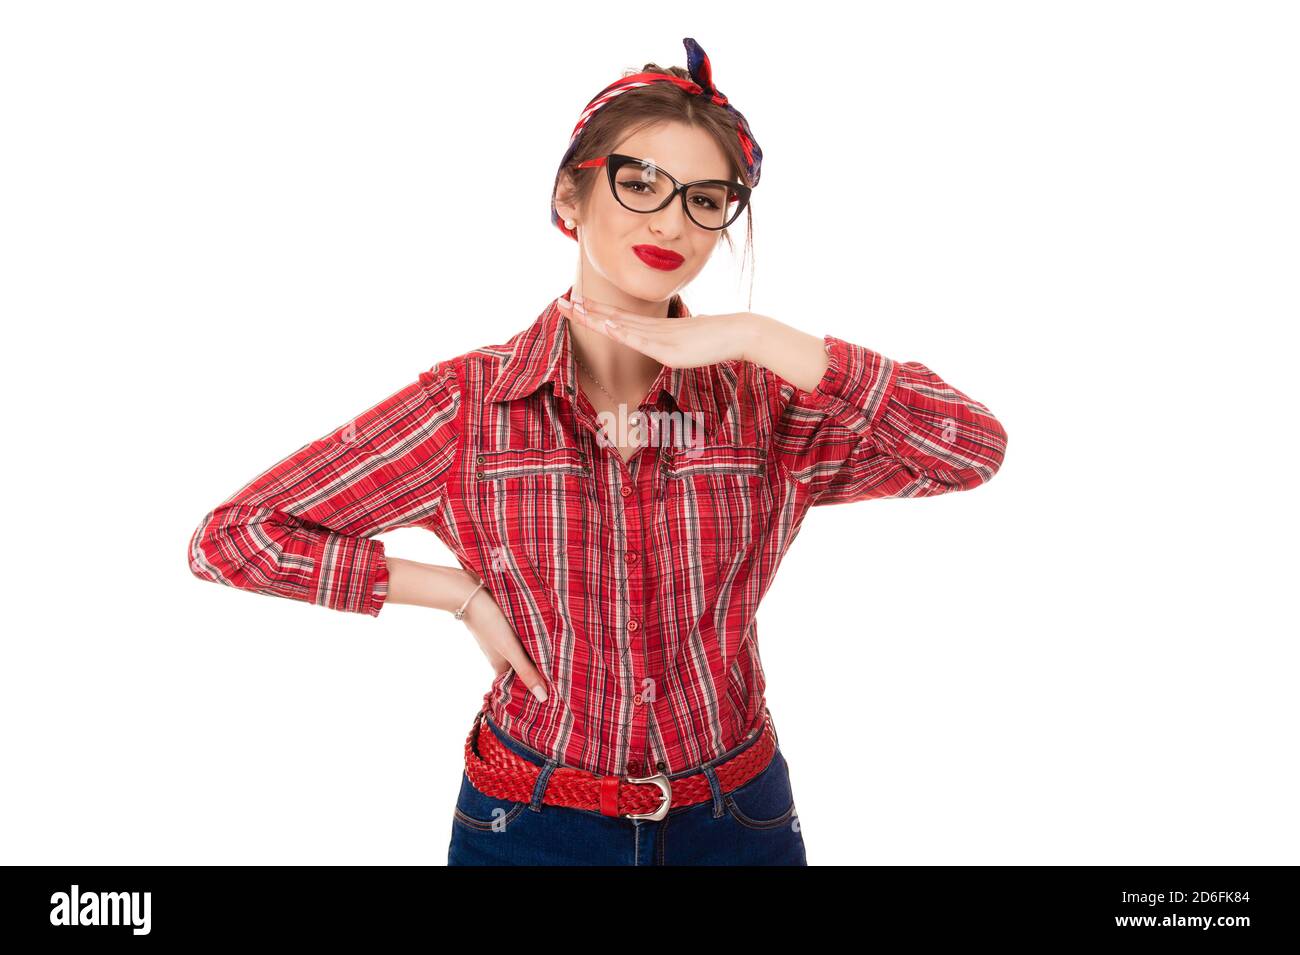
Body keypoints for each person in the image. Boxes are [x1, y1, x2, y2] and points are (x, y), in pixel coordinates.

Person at [187, 38, 1008, 866]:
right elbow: (234, 536)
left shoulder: (763, 406)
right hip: (531, 822)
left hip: (738, 820)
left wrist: (762, 336)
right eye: (641, 182)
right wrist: (455, 592)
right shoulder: (469, 408)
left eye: (706, 199)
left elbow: (969, 447)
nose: (671, 221)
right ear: (569, 198)